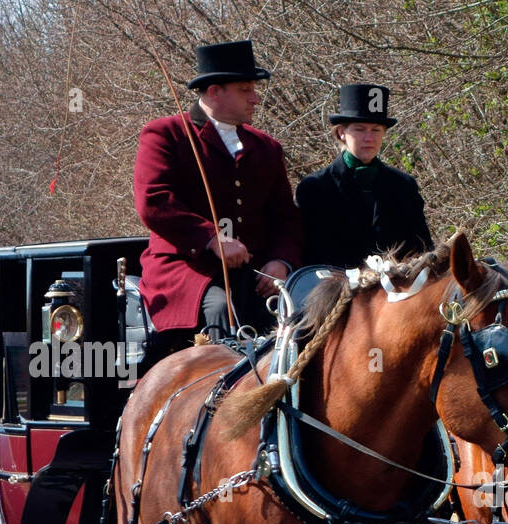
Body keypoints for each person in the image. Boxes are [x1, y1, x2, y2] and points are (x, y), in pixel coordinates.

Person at [133, 39, 301, 359]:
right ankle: (223, 403)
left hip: (256, 274)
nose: (255, 98)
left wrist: (282, 262)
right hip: (186, 271)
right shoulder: (165, 134)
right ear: (214, 92)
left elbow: (286, 218)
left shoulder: (267, 148)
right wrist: (211, 238)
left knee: (302, 308)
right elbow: (153, 201)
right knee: (221, 308)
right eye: (245, 89)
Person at [296, 84, 432, 269]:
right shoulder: (316, 187)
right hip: (337, 290)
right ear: (341, 133)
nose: (369, 138)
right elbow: (311, 255)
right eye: (360, 129)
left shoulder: (404, 186)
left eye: (376, 130)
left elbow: (421, 249)